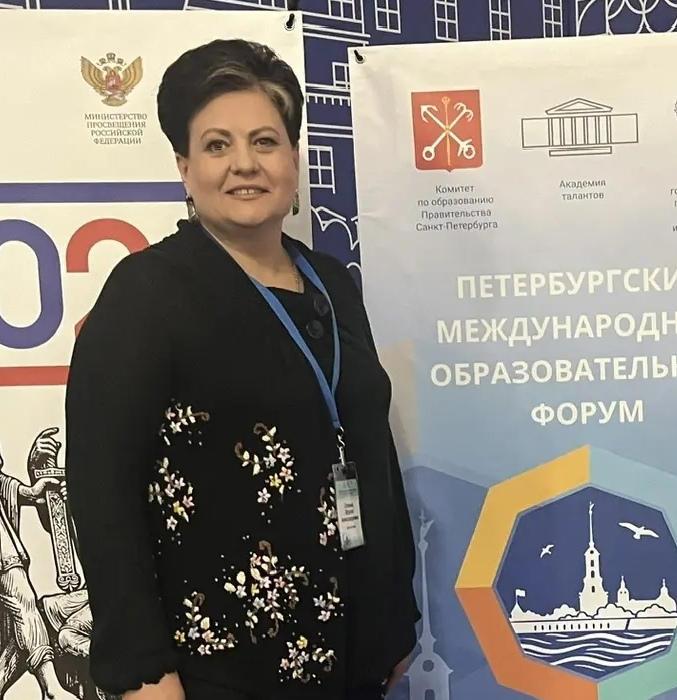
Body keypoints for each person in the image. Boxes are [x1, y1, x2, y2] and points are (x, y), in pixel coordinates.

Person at [63, 39, 420, 700]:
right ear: (185, 168)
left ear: (293, 159)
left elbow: (371, 451)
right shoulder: (148, 292)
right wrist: (142, 670)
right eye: (217, 145)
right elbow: (100, 488)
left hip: (352, 654)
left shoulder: (332, 283)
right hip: (219, 668)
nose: (245, 164)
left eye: (264, 141)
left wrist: (394, 617)